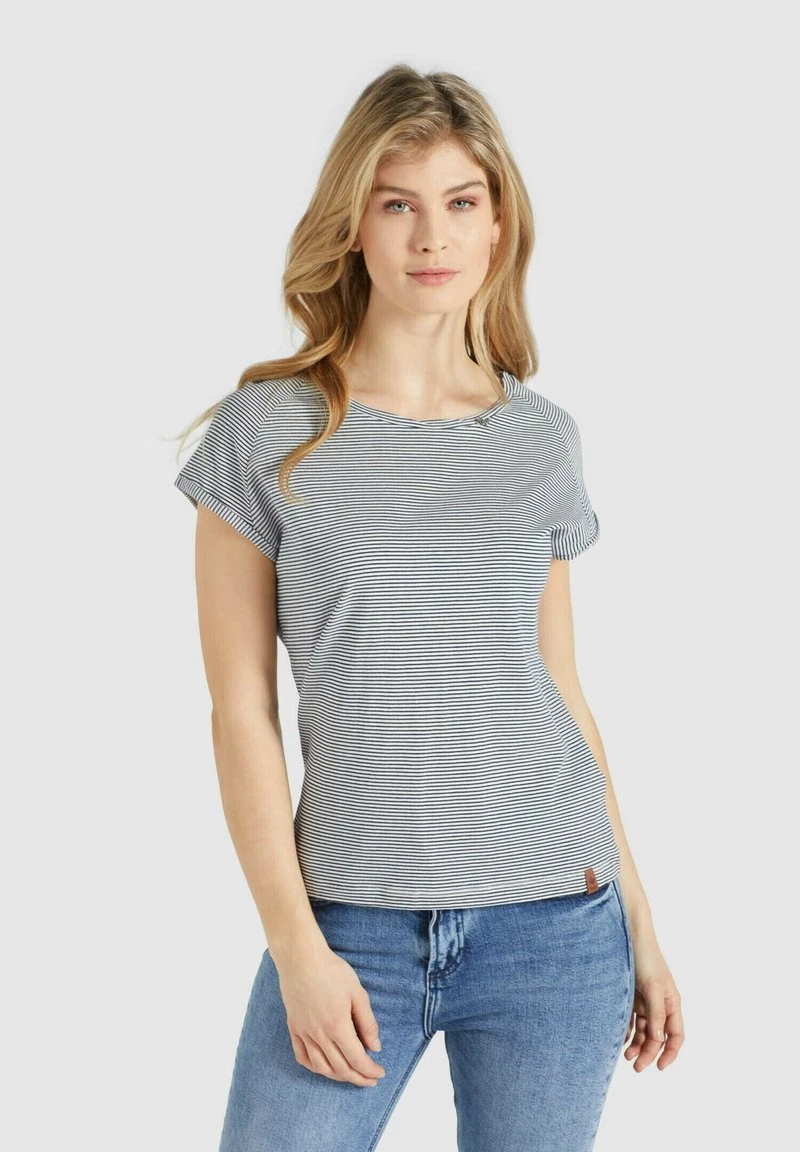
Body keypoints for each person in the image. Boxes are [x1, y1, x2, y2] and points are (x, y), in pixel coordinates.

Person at [173, 63, 684, 1152]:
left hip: (557, 925)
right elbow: (240, 713)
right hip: (349, 926)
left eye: (460, 201)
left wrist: (640, 921)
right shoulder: (266, 433)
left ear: (498, 224)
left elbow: (560, 689)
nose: (431, 235)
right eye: (396, 203)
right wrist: (296, 947)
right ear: (352, 225)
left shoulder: (541, 441)